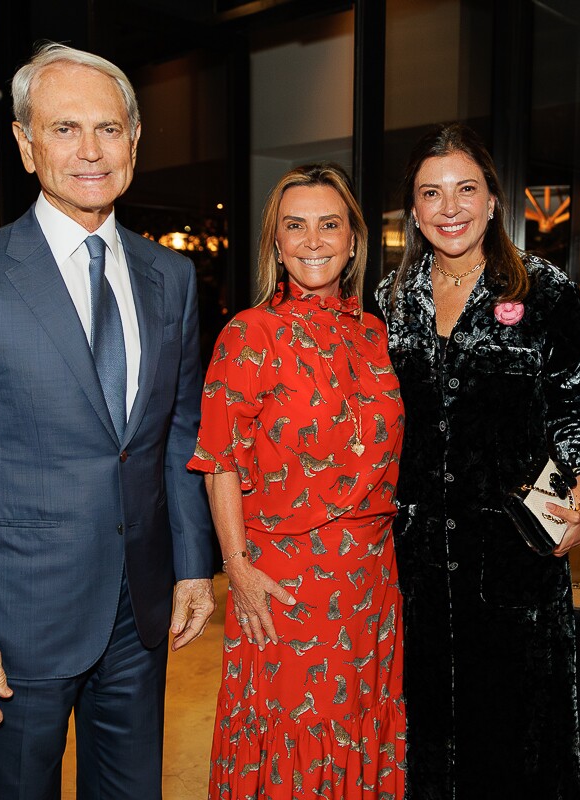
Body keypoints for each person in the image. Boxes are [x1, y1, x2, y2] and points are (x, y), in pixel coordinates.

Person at [0, 43, 214, 798]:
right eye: (65, 129)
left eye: (109, 129)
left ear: (135, 142)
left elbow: (176, 433)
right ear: (24, 143)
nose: (91, 151)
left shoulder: (170, 278)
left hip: (140, 616)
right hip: (12, 622)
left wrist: (194, 562)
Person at [376, 123, 580, 798]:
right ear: (413, 211)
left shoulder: (545, 291)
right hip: (410, 566)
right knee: (422, 746)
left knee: (515, 746)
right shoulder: (389, 300)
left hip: (513, 562)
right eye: (431, 193)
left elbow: (573, 409)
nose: (450, 208)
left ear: (494, 199)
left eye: (465, 188)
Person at [189, 162, 406, 799]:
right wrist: (238, 567)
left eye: (329, 225)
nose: (314, 240)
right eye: (296, 227)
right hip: (284, 588)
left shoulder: (374, 334)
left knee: (361, 730)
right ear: (276, 244)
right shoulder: (247, 334)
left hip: (371, 584)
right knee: (292, 743)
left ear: (354, 240)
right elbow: (219, 459)